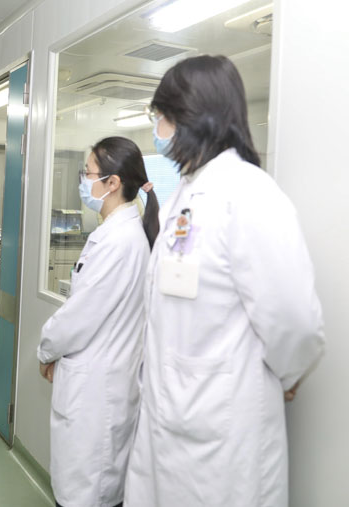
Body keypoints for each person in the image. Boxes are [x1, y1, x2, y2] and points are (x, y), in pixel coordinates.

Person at [123, 55, 325, 506]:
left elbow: (294, 319)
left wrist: (287, 375)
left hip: (222, 433)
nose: (157, 128)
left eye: (161, 116)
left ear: (192, 117)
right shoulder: (184, 195)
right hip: (170, 420)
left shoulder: (250, 194)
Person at [37, 137, 159, 507]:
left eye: (87, 173)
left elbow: (79, 317)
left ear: (112, 183)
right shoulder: (116, 234)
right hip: (102, 382)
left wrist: (46, 350)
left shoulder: (119, 242)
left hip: (97, 391)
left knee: (88, 493)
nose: (82, 181)